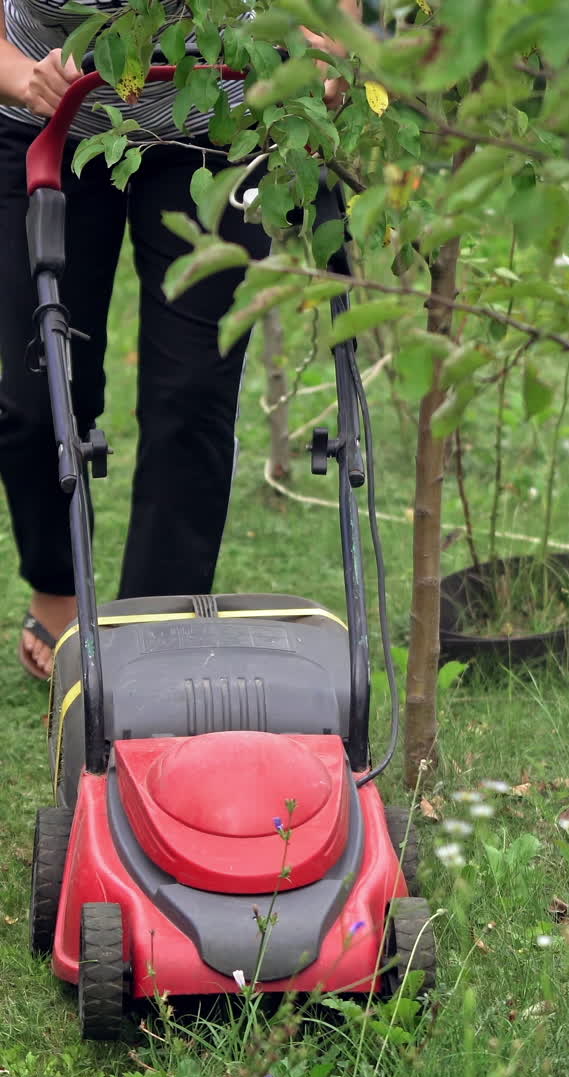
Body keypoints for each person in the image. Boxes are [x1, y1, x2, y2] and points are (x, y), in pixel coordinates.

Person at [0, 0, 357, 679]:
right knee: (39, 393)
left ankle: (153, 637)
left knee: (192, 391)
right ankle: (57, 592)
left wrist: (323, 50)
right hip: (46, 116)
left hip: (214, 125)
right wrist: (18, 75)